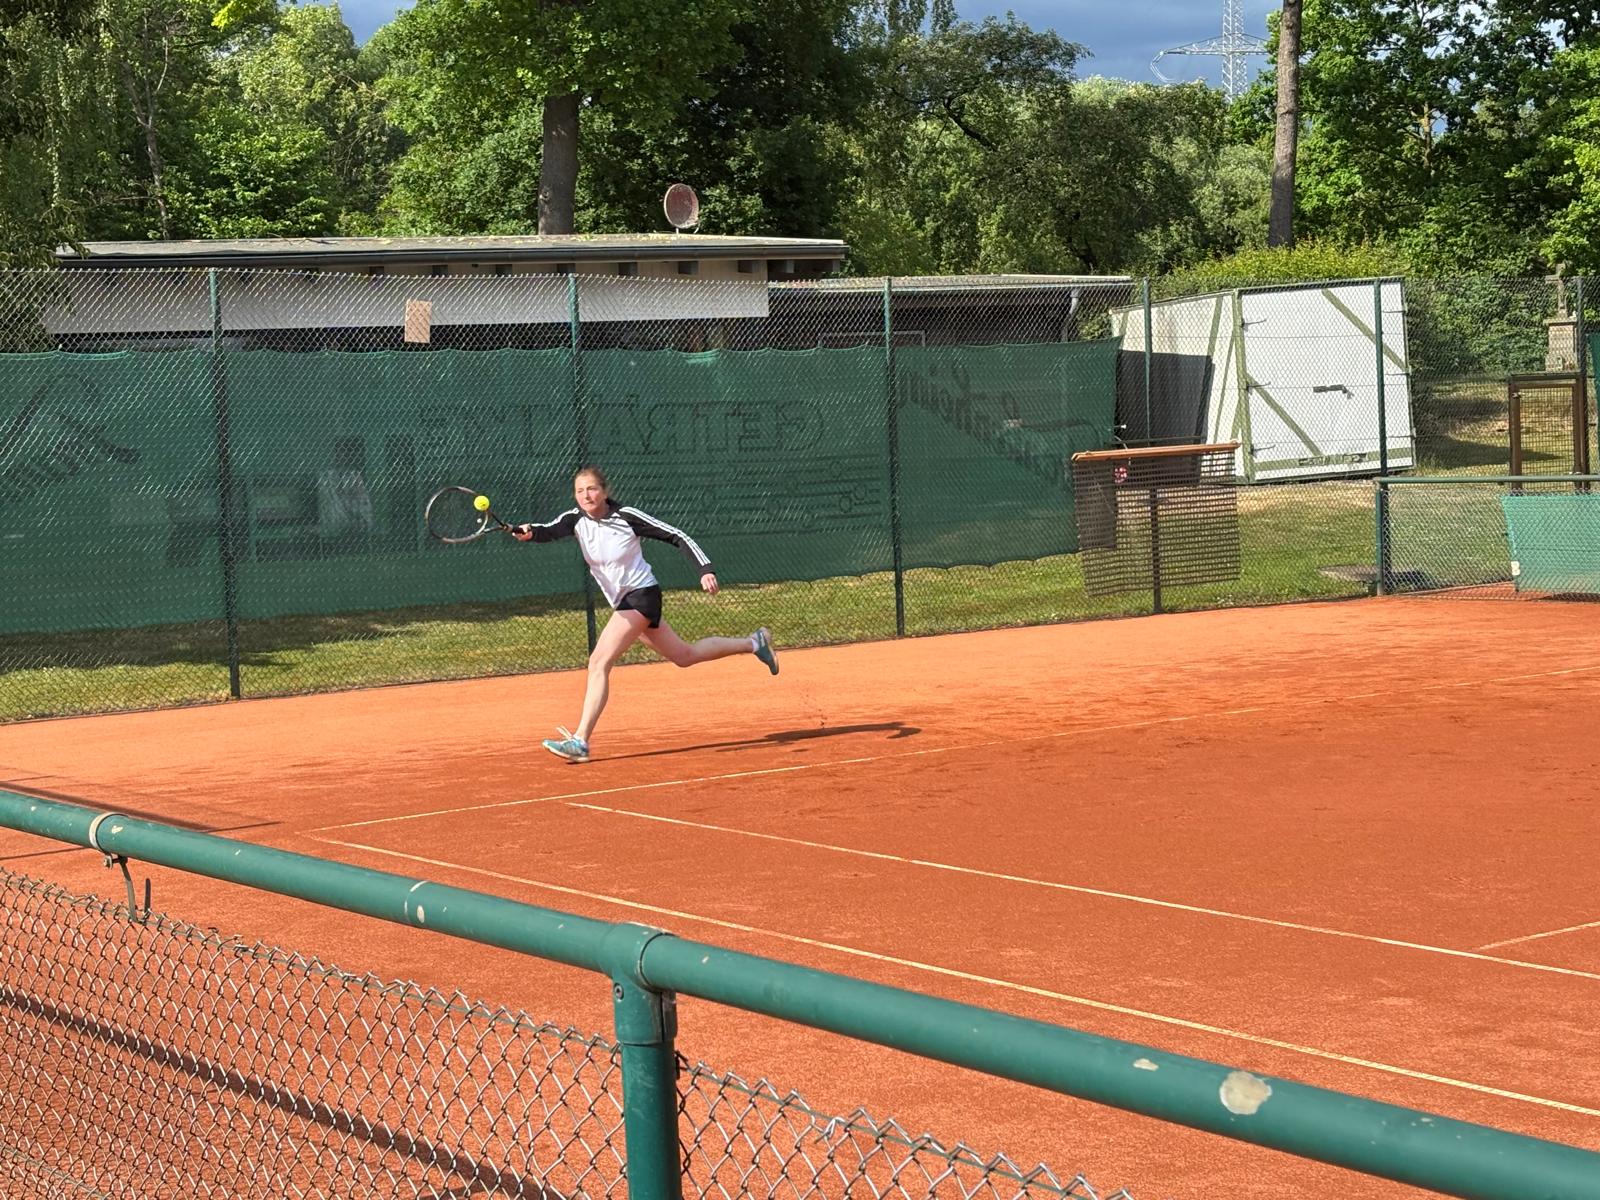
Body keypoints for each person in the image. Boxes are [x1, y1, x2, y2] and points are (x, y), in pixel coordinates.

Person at [511, 465, 778, 763]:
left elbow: (676, 535)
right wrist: (529, 532)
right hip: (623, 602)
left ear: (605, 491)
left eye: (592, 489)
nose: (586, 495)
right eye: (580, 491)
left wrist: (705, 569)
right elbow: (548, 530)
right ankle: (754, 643)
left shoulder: (627, 517)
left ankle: (580, 741)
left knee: (598, 661)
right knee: (684, 656)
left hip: (641, 596)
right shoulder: (575, 520)